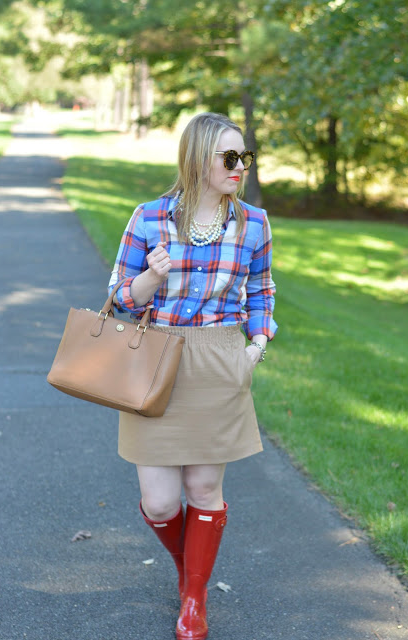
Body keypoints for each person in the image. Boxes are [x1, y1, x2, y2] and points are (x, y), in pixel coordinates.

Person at [108, 111, 277, 640]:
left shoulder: (253, 222)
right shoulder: (149, 217)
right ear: (197, 159)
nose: (239, 166)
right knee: (159, 500)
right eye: (229, 157)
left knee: (204, 486)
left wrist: (256, 344)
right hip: (156, 358)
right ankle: (189, 575)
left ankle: (194, 601)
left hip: (220, 359)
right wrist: (150, 280)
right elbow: (117, 301)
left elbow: (262, 291)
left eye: (243, 157)